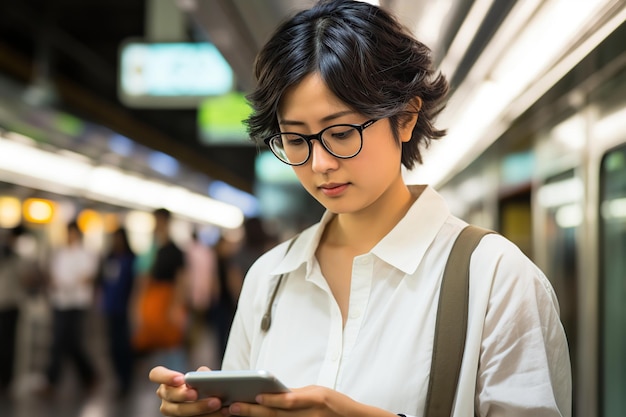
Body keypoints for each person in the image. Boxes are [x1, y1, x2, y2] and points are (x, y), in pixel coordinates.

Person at [149, 1, 572, 416]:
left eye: (342, 132)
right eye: (296, 139)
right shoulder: (269, 278)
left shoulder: (496, 279)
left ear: (405, 117)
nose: (320, 164)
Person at [43, 221, 99, 395]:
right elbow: (52, 274)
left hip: (77, 303)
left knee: (66, 341)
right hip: (60, 301)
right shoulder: (60, 254)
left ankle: (55, 379)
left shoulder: (85, 254)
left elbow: (87, 277)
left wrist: (69, 283)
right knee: (64, 341)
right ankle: (87, 375)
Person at [132, 208, 187, 372]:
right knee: (155, 345)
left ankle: (177, 381)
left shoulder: (175, 251)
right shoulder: (151, 250)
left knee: (172, 344)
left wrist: (177, 306)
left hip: (168, 301)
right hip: (153, 302)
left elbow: (181, 280)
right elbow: (142, 279)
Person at [97, 227, 136, 397]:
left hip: (125, 309)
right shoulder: (109, 259)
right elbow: (103, 282)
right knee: (112, 346)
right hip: (111, 308)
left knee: (124, 346)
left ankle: (127, 380)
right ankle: (119, 378)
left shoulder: (131, 259)